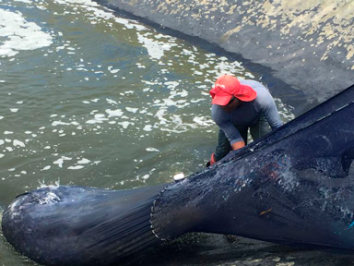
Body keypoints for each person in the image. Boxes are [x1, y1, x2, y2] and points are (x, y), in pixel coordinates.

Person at [207, 74, 283, 166]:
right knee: (222, 152)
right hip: (234, 121)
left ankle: (270, 167)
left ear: (238, 96)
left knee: (264, 145)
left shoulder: (261, 98)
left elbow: (277, 127)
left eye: (228, 102)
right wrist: (243, 163)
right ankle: (210, 169)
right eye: (221, 102)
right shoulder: (217, 112)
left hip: (257, 117)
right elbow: (235, 139)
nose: (224, 106)